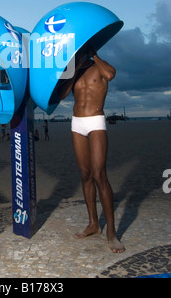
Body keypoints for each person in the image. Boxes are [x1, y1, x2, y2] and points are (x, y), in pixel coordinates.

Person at [58, 47, 125, 254]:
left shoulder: (100, 66)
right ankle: (93, 224)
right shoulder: (74, 70)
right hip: (77, 122)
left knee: (99, 174)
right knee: (85, 175)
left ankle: (111, 233)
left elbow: (111, 75)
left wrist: (94, 55)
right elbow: (62, 94)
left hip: (96, 121)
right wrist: (75, 66)